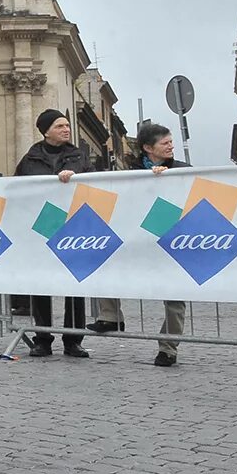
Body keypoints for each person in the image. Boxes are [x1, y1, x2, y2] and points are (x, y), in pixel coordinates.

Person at [89, 123, 189, 366]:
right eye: (165, 143)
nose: (171, 146)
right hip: (137, 237)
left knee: (174, 297)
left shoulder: (184, 170)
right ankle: (111, 316)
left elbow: (190, 201)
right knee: (106, 261)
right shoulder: (130, 173)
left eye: (171, 141)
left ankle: (168, 348)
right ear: (147, 148)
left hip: (170, 240)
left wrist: (165, 181)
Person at [16, 109, 93, 359]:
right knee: (41, 284)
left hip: (73, 226)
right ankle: (43, 339)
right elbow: (19, 188)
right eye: (60, 126)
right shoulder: (30, 159)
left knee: (74, 285)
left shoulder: (78, 155)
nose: (66, 129)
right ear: (46, 131)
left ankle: (73, 340)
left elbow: (91, 181)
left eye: (67, 125)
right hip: (42, 227)